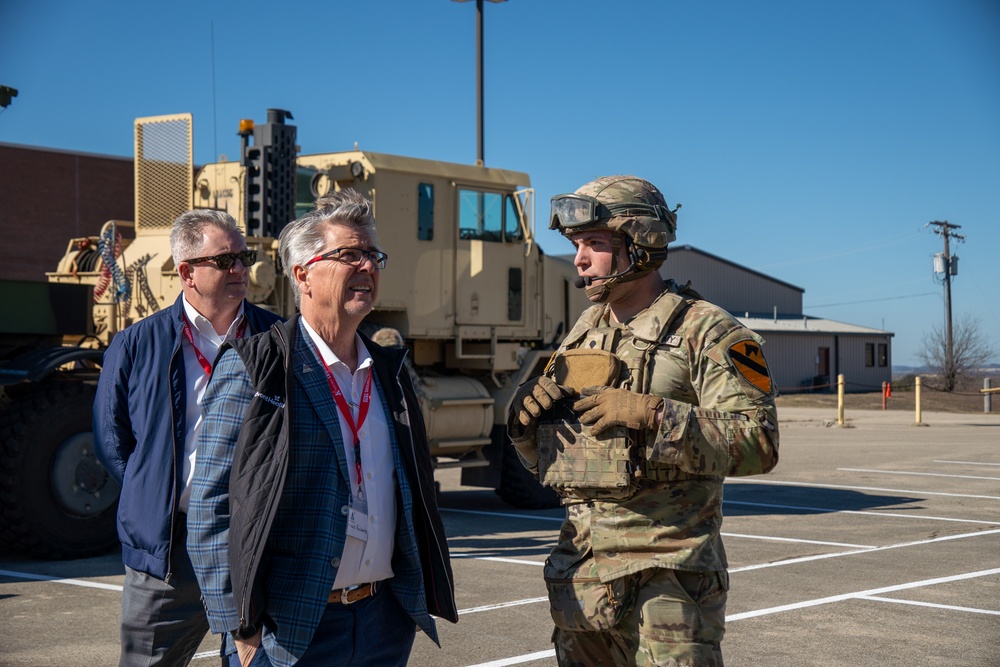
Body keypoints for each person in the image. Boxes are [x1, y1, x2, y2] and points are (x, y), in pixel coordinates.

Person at [507, 175, 779, 666]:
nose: (580, 259)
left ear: (641, 243)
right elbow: (562, 466)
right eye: (576, 246)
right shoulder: (582, 334)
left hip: (669, 577)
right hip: (585, 576)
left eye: (594, 244)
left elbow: (759, 440)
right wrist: (527, 436)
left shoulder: (710, 332)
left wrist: (653, 414)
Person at [187, 188, 457, 667]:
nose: (368, 267)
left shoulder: (389, 371)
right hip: (288, 629)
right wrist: (238, 625)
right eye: (349, 254)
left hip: (384, 620)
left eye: (373, 255)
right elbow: (209, 504)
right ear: (303, 274)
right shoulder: (257, 365)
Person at [94, 209, 284, 666]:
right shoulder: (137, 343)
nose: (241, 268)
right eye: (225, 261)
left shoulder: (277, 339)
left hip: (254, 544)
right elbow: (111, 438)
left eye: (243, 256)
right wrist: (154, 490)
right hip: (167, 551)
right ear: (187, 272)